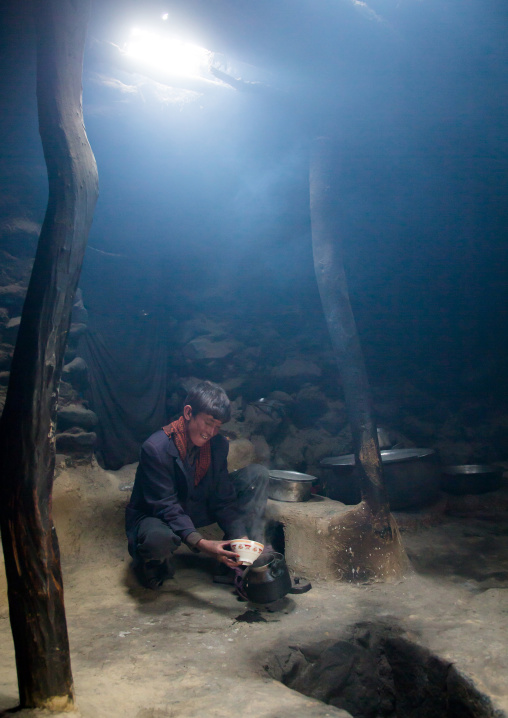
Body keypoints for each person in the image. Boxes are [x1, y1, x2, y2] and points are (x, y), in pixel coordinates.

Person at [125, 380, 269, 589]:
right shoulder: (155, 448)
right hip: (157, 515)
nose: (211, 432)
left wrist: (241, 538)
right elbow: (166, 505)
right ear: (188, 412)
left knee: (257, 475)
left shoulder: (218, 445)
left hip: (194, 506)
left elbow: (223, 498)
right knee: (158, 541)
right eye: (208, 422)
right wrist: (202, 544)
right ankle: (153, 564)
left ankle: (233, 558)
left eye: (217, 426)